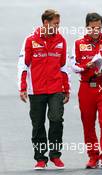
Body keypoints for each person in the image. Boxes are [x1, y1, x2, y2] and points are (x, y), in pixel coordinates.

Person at [17, 9, 70, 170]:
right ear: (46, 23)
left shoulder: (61, 40)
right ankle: (40, 158)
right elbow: (23, 65)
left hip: (55, 89)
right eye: (55, 24)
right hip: (36, 90)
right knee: (38, 124)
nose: (57, 27)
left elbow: (64, 67)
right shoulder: (30, 40)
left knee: (56, 120)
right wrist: (23, 87)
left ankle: (55, 155)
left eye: (58, 24)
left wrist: (66, 89)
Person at [71, 12, 102, 169]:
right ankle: (93, 156)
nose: (95, 30)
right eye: (92, 28)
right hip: (86, 87)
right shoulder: (78, 43)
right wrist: (87, 67)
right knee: (88, 123)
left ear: (101, 26)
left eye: (98, 27)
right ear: (87, 27)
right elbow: (73, 66)